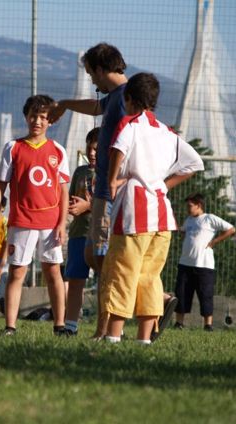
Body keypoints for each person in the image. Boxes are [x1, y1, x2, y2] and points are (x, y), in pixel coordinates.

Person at [101, 73, 204, 344]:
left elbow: (118, 150)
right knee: (149, 277)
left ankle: (113, 335)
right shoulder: (166, 131)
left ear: (128, 99)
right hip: (162, 214)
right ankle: (144, 338)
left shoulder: (130, 124)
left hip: (135, 212)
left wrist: (112, 180)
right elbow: (195, 163)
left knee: (123, 272)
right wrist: (165, 184)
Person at [48, 43, 128, 339]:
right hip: (105, 194)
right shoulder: (114, 98)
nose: (92, 82)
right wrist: (66, 104)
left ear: (100, 69)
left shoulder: (125, 99)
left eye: (91, 75)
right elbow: (95, 107)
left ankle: (109, 327)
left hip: (110, 194)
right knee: (96, 258)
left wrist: (116, 182)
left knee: (106, 262)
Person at [0, 94, 70, 336]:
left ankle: (60, 325)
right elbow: (0, 184)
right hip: (22, 221)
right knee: (17, 272)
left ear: (50, 121)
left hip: (50, 223)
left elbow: (63, 190)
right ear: (26, 117)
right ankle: (10, 326)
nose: (38, 121)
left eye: (43, 117)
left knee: (53, 272)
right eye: (34, 116)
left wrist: (62, 223)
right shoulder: (13, 148)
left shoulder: (58, 151)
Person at [174, 193, 235, 331]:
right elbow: (184, 232)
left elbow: (231, 229)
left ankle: (208, 325)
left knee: (205, 294)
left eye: (190, 206)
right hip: (185, 263)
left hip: (204, 266)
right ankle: (179, 323)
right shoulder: (189, 220)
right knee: (182, 293)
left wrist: (214, 241)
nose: (187, 209)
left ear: (199, 205)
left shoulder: (209, 218)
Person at [63, 127, 98, 335]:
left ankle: (109, 327)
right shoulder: (80, 172)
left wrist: (88, 206)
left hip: (101, 236)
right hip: (78, 234)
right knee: (75, 281)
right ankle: (70, 325)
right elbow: (70, 198)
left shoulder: (111, 173)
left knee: (106, 281)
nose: (92, 153)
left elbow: (112, 202)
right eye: (89, 148)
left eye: (97, 148)